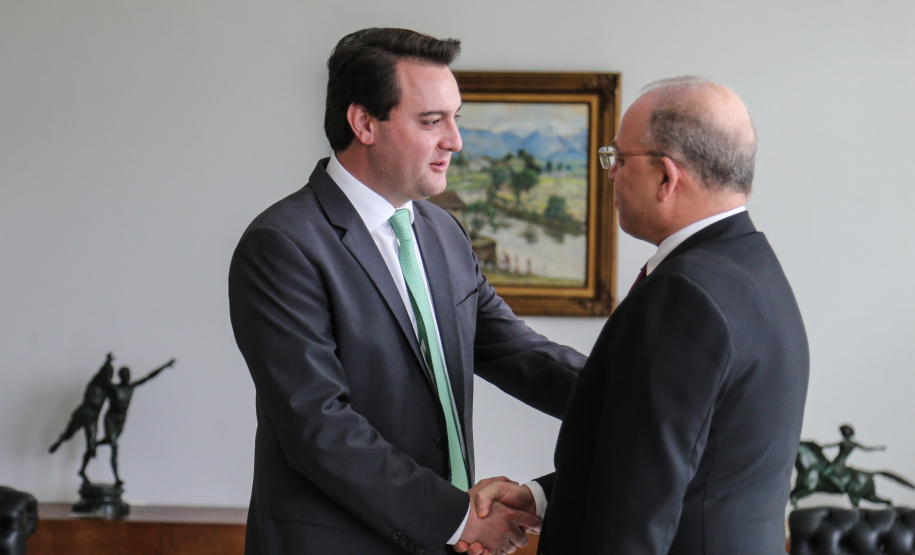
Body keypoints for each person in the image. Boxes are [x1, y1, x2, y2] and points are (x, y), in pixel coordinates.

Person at [228, 27, 585, 555]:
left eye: (454, 118)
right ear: (364, 123)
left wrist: (636, 400)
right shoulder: (282, 244)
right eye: (431, 121)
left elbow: (519, 353)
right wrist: (459, 518)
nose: (455, 141)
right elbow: (319, 428)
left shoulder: (443, 234)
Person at [464, 77, 810, 555]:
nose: (610, 173)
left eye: (618, 159)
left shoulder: (683, 293)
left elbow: (637, 514)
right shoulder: (754, 270)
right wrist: (541, 497)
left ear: (667, 177)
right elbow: (666, 457)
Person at [98, 358, 176, 484]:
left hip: (121, 419)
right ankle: (117, 478)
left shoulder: (131, 387)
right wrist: (107, 363)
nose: (127, 377)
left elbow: (149, 377)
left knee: (110, 441)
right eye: (124, 374)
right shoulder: (113, 388)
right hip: (111, 418)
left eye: (128, 374)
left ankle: (94, 444)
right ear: (120, 376)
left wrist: (165, 366)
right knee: (114, 446)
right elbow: (104, 378)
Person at [48, 352, 115, 483]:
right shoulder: (94, 385)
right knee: (69, 434)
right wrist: (107, 363)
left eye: (110, 375)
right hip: (83, 413)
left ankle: (82, 470)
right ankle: (60, 441)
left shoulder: (107, 391)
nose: (109, 377)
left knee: (91, 447)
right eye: (107, 374)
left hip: (93, 419)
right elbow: (99, 375)